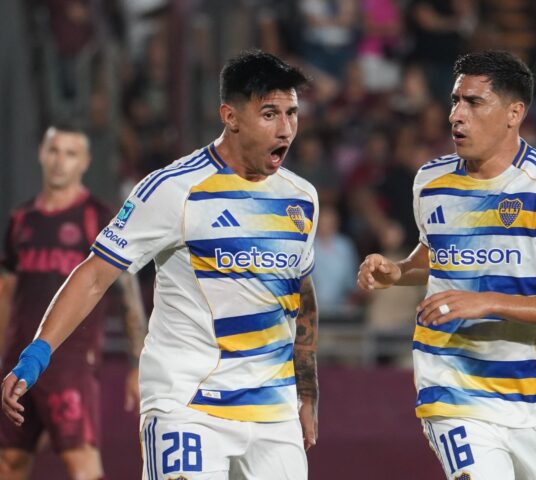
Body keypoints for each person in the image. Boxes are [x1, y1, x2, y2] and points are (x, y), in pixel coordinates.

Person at [2, 50, 320, 479]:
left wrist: (307, 391)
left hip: (272, 411)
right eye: (269, 114)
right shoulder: (173, 189)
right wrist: (37, 354)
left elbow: (301, 292)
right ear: (230, 116)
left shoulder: (301, 198)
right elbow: (95, 275)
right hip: (186, 404)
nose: (285, 129)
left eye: (291, 114)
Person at [357, 50, 536, 480]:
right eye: (455, 100)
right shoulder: (431, 181)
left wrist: (487, 302)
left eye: (474, 102)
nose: (456, 114)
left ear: (514, 113)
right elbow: (437, 254)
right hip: (453, 389)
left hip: (534, 400)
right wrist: (399, 271)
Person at [0, 124, 147, 479]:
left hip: (71, 364)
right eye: (54, 151)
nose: (59, 161)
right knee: (9, 461)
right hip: (19, 359)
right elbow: (6, 292)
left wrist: (136, 362)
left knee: (81, 464)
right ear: (41, 154)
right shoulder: (20, 220)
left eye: (70, 153)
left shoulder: (99, 216)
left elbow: (127, 293)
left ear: (85, 162)